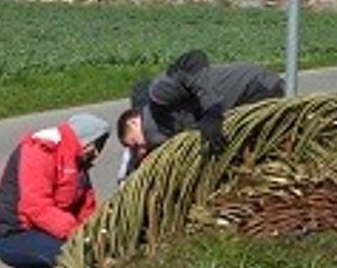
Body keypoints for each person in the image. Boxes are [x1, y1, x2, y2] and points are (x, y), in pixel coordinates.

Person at [0, 113, 110, 268]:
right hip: (13, 234)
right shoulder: (41, 150)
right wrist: (78, 234)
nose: (97, 155)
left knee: (87, 253)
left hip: (44, 232)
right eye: (97, 146)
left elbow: (87, 207)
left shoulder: (77, 162)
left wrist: (97, 235)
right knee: (72, 256)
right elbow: (36, 206)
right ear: (86, 141)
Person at [116, 50, 284, 181]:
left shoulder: (158, 95)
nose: (140, 149)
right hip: (243, 101)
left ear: (133, 122)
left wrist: (211, 111)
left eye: (134, 143)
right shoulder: (166, 131)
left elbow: (194, 60)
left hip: (254, 87)